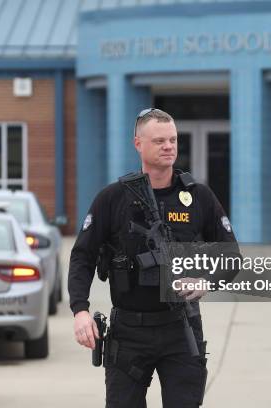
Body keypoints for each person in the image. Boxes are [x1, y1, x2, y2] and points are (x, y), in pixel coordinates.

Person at [68, 108, 239, 407]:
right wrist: (80, 310)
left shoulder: (198, 196)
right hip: (129, 332)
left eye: (172, 139)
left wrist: (206, 281)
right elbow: (83, 255)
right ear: (138, 144)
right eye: (159, 140)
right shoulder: (112, 198)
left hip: (181, 328)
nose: (169, 146)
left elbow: (231, 256)